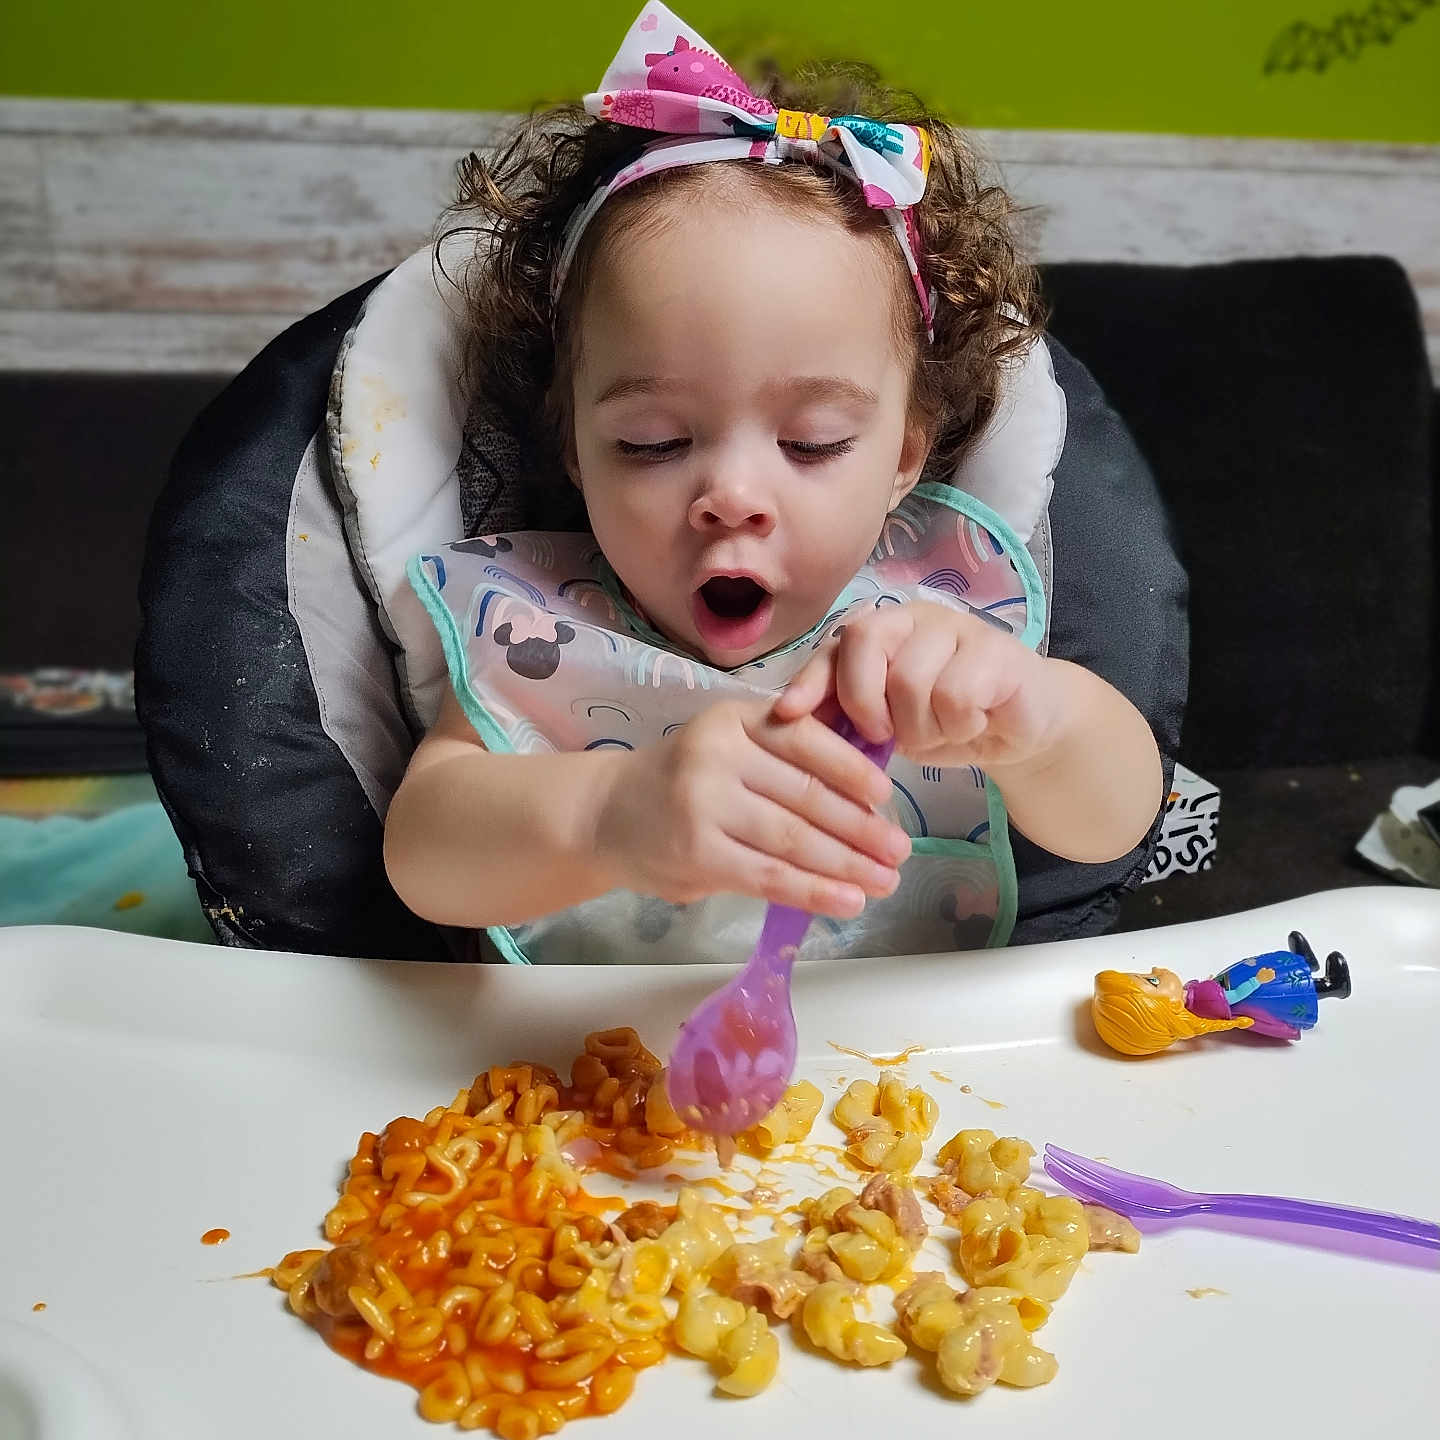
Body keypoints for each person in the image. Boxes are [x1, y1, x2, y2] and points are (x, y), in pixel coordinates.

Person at [382, 3, 1164, 965]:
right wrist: (610, 813)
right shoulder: (537, 625)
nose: (732, 494)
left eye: (813, 442)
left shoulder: (941, 616)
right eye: (653, 442)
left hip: (913, 1057)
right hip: (587, 1058)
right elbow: (422, 856)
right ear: (574, 449)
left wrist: (1037, 721)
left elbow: (1115, 823)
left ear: (905, 457)